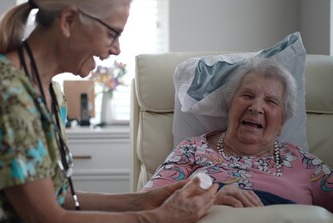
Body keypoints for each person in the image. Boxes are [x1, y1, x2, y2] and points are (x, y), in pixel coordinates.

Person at [0, 0, 218, 222]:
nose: (116, 49)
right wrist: (157, 217)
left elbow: (56, 198)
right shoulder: (4, 94)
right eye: (112, 33)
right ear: (69, 20)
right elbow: (44, 216)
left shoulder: (51, 92)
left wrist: (147, 198)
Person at [142, 57, 333, 212]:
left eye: (271, 101)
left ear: (282, 121)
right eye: (248, 96)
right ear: (230, 105)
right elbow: (145, 205)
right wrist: (207, 203)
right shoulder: (192, 150)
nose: (256, 107)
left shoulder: (307, 165)